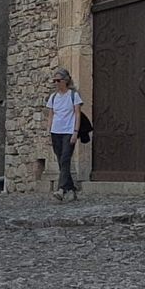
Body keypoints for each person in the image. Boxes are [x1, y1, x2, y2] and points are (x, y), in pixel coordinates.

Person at [45, 67, 84, 201]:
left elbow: (77, 115)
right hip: (56, 132)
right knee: (61, 161)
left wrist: (75, 132)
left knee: (65, 159)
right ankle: (71, 189)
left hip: (68, 131)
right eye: (54, 81)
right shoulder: (53, 97)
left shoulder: (73, 95)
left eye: (58, 80)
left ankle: (61, 189)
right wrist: (48, 130)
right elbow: (50, 115)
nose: (56, 83)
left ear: (65, 81)